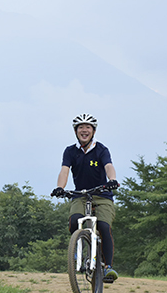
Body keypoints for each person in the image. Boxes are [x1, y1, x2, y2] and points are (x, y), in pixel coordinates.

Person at [51, 113, 120, 283]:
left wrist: (112, 181)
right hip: (80, 194)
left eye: (88, 127)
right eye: (80, 127)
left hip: (102, 194)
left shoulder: (101, 149)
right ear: (75, 131)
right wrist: (60, 188)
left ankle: (107, 268)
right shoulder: (70, 151)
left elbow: (109, 166)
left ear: (93, 131)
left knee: (104, 227)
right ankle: (77, 245)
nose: (84, 130)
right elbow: (64, 170)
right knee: (75, 220)